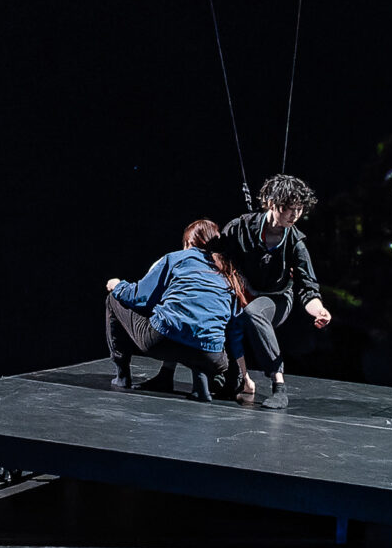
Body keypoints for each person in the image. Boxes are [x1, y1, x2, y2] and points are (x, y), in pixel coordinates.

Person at [218, 173, 332, 411]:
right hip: (243, 293)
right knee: (223, 313)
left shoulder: (296, 243)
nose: (295, 215)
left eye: (299, 209)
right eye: (289, 208)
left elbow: (308, 287)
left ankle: (279, 386)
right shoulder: (240, 227)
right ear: (271, 203)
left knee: (254, 312)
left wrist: (319, 310)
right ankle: (236, 377)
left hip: (277, 299)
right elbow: (218, 256)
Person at [105, 219, 245, 401]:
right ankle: (198, 385)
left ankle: (122, 376)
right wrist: (239, 374)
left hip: (163, 343)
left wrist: (118, 286)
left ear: (189, 242)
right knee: (191, 321)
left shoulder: (176, 258)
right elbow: (234, 326)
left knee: (114, 300)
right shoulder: (226, 272)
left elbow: (140, 297)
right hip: (212, 357)